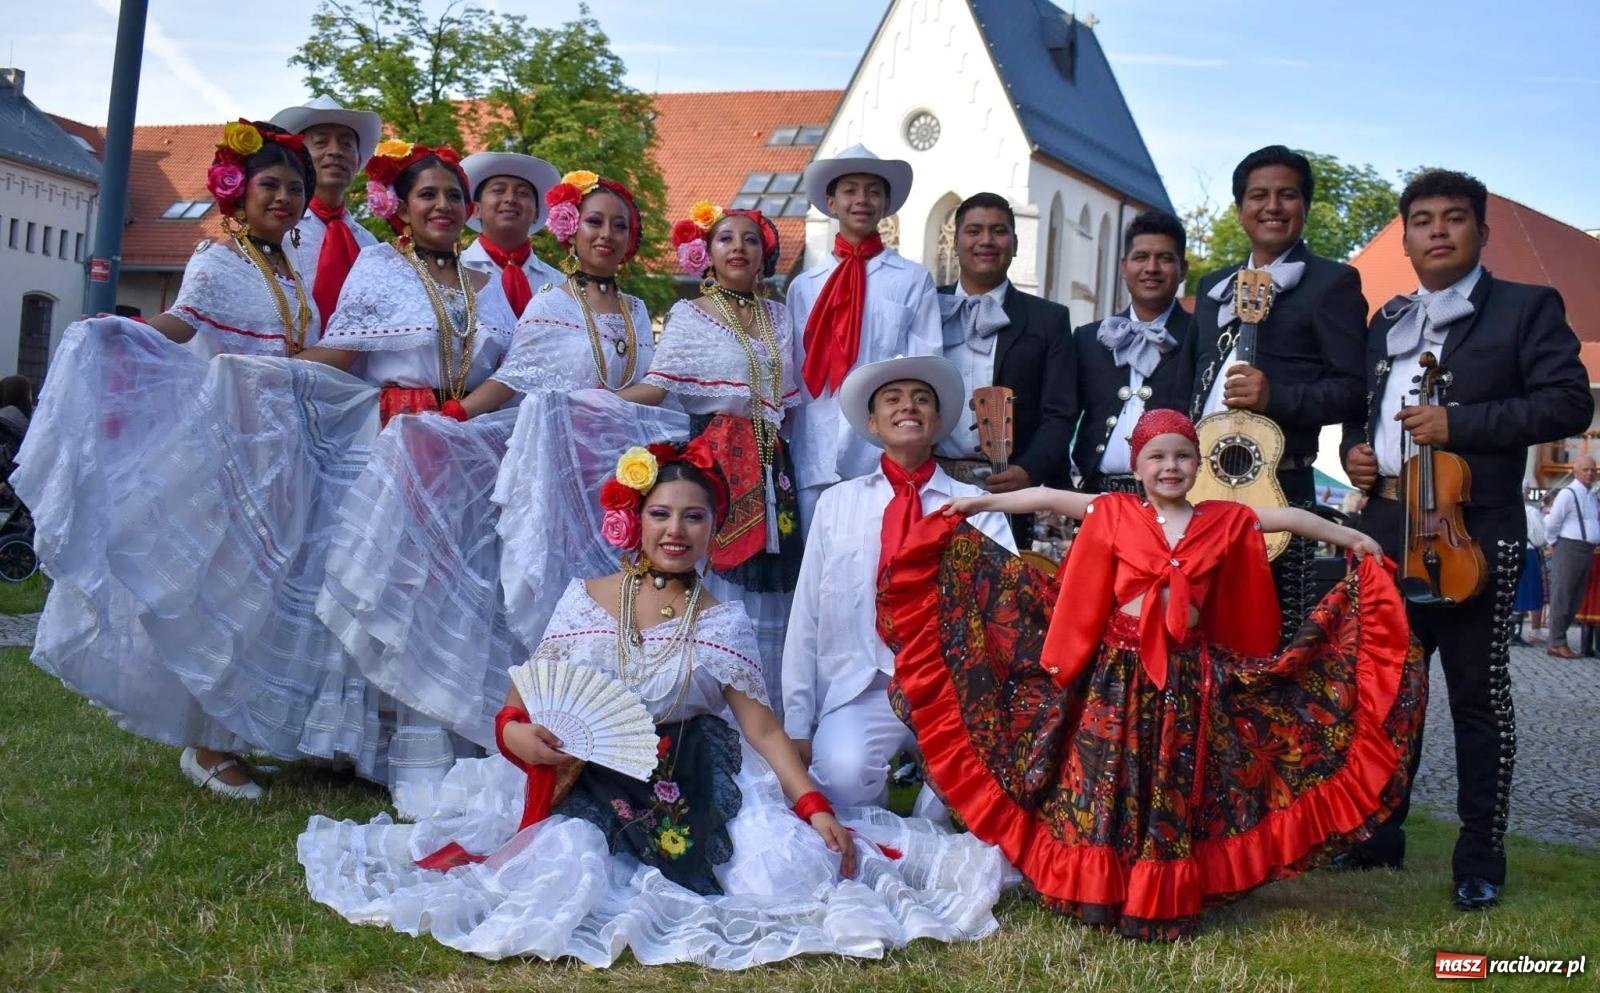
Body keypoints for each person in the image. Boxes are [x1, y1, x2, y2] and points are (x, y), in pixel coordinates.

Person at [297, 441, 1007, 967]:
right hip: (592, 772)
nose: (676, 529)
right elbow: (516, 708)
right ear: (634, 521)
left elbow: (759, 726)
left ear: (711, 530)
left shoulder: (722, 619)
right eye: (661, 513)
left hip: (693, 772)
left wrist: (813, 803)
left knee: (782, 873)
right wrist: (521, 743)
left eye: (694, 517)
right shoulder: (584, 598)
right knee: (564, 870)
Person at [879, 407, 1422, 940]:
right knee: (1109, 778)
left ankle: (1159, 890)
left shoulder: (1223, 519)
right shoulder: (1113, 511)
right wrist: (982, 500)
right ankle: (1101, 884)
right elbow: (1045, 496)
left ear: (1198, 465)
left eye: (1183, 456)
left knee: (1171, 781)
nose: (1170, 466)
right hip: (1117, 673)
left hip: (1187, 677)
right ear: (1137, 466)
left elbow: (1293, 518)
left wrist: (1353, 538)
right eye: (1157, 456)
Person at [112, 140, 519, 812]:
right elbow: (340, 352)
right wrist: (264, 376)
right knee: (365, 589)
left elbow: (505, 367)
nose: (443, 205)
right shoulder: (380, 269)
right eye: (428, 195)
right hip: (389, 442)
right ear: (401, 208)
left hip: (457, 452)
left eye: (453, 195)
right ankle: (270, 740)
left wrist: (471, 416)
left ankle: (407, 744)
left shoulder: (487, 287)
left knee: (437, 593)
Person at [13, 119, 321, 798]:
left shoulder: (289, 271)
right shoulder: (216, 261)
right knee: (221, 599)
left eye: (294, 188)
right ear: (235, 193)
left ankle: (232, 732)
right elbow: (179, 328)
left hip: (285, 455)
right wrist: (116, 333)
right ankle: (205, 746)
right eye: (269, 184)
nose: (283, 197)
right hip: (232, 452)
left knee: (263, 601)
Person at [1340, 169, 1592, 909]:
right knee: (1386, 693)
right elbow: (1369, 411)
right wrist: (1359, 448)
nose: (1438, 230)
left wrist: (1462, 424)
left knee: (1479, 699)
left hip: (1475, 526)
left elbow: (1568, 402)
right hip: (1386, 520)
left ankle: (1480, 854)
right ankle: (1380, 834)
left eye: (1454, 218)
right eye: (1422, 219)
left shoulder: (1525, 307)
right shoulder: (1386, 317)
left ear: (1482, 232)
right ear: (1408, 235)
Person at [783, 355, 1016, 813]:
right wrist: (796, 723)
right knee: (843, 778)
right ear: (873, 421)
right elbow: (807, 613)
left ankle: (936, 806)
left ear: (937, 420)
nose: (907, 407)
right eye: (892, 399)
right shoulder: (837, 504)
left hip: (951, 688)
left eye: (921, 399)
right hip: (862, 683)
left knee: (958, 805)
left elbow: (1007, 610)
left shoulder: (978, 507)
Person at [613, 201, 802, 701]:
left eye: (750, 239)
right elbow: (658, 388)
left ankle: (767, 716)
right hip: (714, 458)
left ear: (765, 255)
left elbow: (789, 402)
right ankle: (702, 706)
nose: (738, 247)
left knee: (772, 583)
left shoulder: (780, 318)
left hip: (772, 462)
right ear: (707, 254)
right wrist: (594, 402)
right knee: (716, 573)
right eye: (725, 239)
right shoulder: (690, 313)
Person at [1187, 145, 1368, 641]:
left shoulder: (1332, 283)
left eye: (1287, 195)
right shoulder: (1212, 287)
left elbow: (1354, 391)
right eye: (1258, 195)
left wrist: (1277, 397)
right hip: (1197, 488)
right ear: (1240, 209)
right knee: (1193, 631)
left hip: (1281, 486)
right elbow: (1190, 383)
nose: (1272, 206)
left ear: (1305, 206)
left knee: (1271, 637)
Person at [786, 144, 942, 528]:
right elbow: (791, 371)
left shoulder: (911, 279)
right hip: (815, 452)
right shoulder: (804, 286)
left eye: (873, 191)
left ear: (886, 203)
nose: (862, 200)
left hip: (879, 455)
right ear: (832, 201)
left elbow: (924, 364)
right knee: (816, 569)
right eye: (851, 190)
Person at [934, 192, 1077, 544]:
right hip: (931, 483)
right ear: (955, 242)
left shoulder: (1049, 319)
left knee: (1000, 598)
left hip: (1008, 490)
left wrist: (1027, 471)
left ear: (1014, 243)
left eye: (998, 231)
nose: (986, 240)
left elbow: (1061, 412)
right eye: (974, 231)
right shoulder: (927, 307)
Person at [1074, 210, 1196, 495]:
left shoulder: (1201, 338)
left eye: (1165, 259)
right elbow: (1060, 415)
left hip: (1178, 502)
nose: (1151, 268)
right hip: (1098, 498)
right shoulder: (1089, 338)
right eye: (1141, 257)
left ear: (1183, 269)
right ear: (1124, 266)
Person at [270, 96, 383, 330]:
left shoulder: (368, 244)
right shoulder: (275, 231)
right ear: (297, 157)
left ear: (358, 160)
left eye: (346, 144)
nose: (335, 152)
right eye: (321, 142)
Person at [458, 151, 564, 316]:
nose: (510, 199)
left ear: (536, 213)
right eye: (498, 190)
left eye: (522, 193)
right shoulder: (456, 270)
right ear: (476, 209)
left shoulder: (560, 284)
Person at [1542, 456, 1599, 658]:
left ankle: (1560, 639)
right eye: (1585, 469)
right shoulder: (1568, 493)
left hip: (1587, 549)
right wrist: (1555, 544)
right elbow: (1552, 523)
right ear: (1575, 471)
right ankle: (1556, 643)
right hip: (1569, 547)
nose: (1590, 473)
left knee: (1575, 597)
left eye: (1592, 470)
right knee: (1563, 596)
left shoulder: (1590, 495)